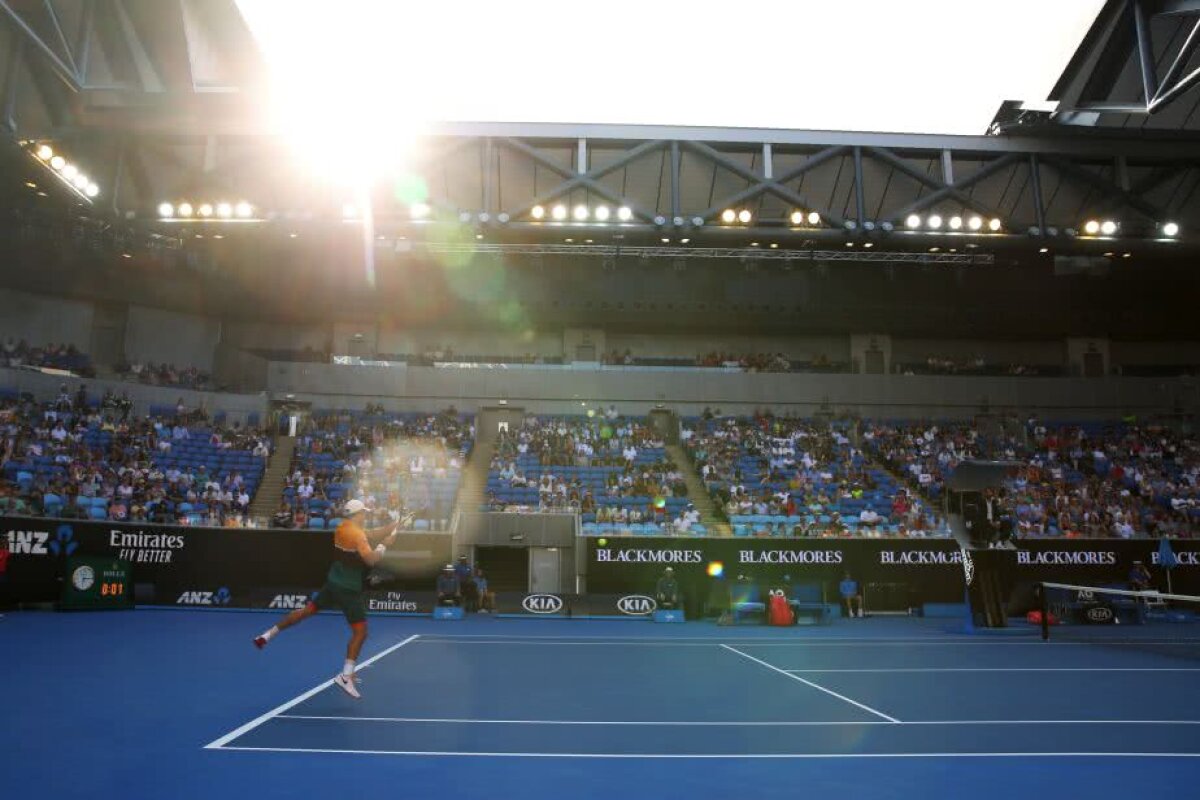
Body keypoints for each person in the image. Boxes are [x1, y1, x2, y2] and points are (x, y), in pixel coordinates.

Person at [252, 499, 399, 699]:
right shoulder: (357, 534)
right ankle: (346, 676)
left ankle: (267, 635)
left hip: (333, 581)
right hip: (349, 588)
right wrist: (384, 545)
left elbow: (368, 535)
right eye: (363, 512)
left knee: (308, 610)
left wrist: (390, 527)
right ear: (357, 514)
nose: (366, 515)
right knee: (360, 632)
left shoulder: (342, 527)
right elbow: (371, 559)